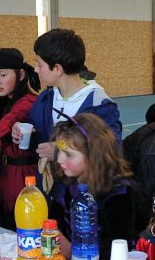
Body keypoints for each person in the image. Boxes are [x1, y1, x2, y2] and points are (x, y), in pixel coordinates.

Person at [12, 29, 122, 186]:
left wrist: (59, 153)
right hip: (49, 195)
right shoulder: (45, 99)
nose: (36, 69)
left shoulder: (100, 107)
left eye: (40, 64)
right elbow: (38, 144)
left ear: (57, 69)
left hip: (81, 197)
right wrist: (24, 137)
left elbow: (110, 157)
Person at [48, 113, 135, 260]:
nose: (60, 159)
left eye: (69, 154)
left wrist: (72, 251)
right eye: (59, 151)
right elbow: (55, 225)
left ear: (93, 155)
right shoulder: (64, 184)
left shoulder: (118, 194)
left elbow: (117, 252)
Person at [0, 48, 40, 230]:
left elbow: (8, 122)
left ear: (21, 75)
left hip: (22, 178)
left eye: (3, 75)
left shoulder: (28, 102)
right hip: (4, 177)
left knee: (20, 227)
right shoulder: (2, 103)